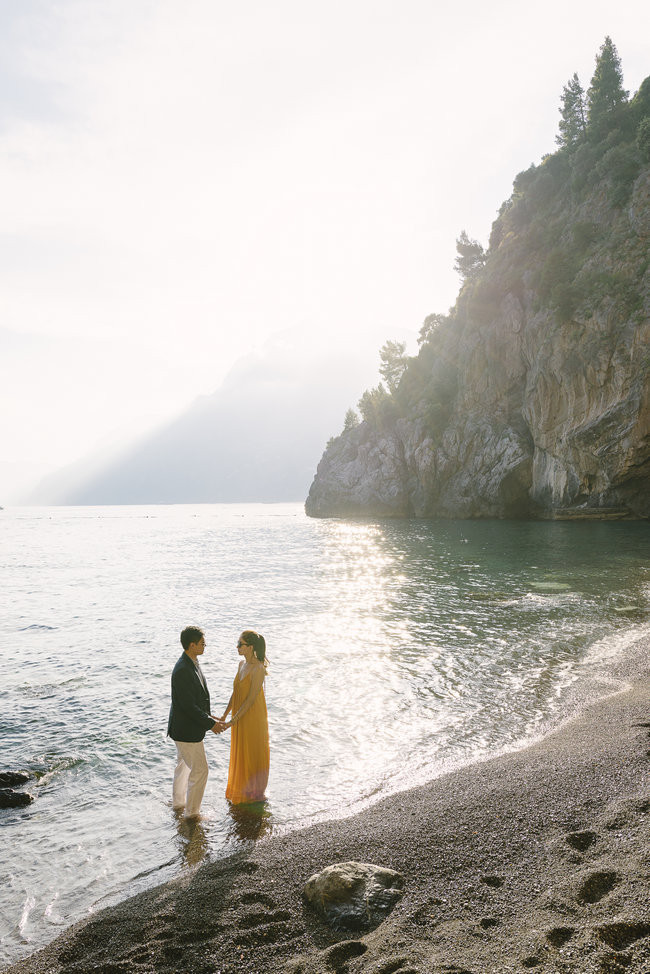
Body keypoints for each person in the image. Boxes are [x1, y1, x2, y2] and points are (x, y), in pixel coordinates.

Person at [167, 626, 224, 818]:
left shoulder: (192, 662)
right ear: (192, 645)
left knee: (183, 767)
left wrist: (210, 716)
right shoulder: (183, 669)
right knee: (200, 771)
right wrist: (210, 724)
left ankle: (178, 804)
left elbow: (195, 699)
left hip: (183, 728)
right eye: (202, 643)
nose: (205, 646)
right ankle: (192, 813)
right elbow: (188, 706)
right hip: (186, 731)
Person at [220, 630, 270, 804]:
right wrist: (225, 715)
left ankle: (253, 793)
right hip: (239, 715)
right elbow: (236, 693)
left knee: (251, 750)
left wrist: (232, 722)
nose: (237, 647)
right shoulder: (241, 664)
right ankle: (240, 789)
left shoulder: (259, 669)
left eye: (240, 644)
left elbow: (250, 700)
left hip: (253, 717)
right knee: (241, 750)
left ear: (250, 647)